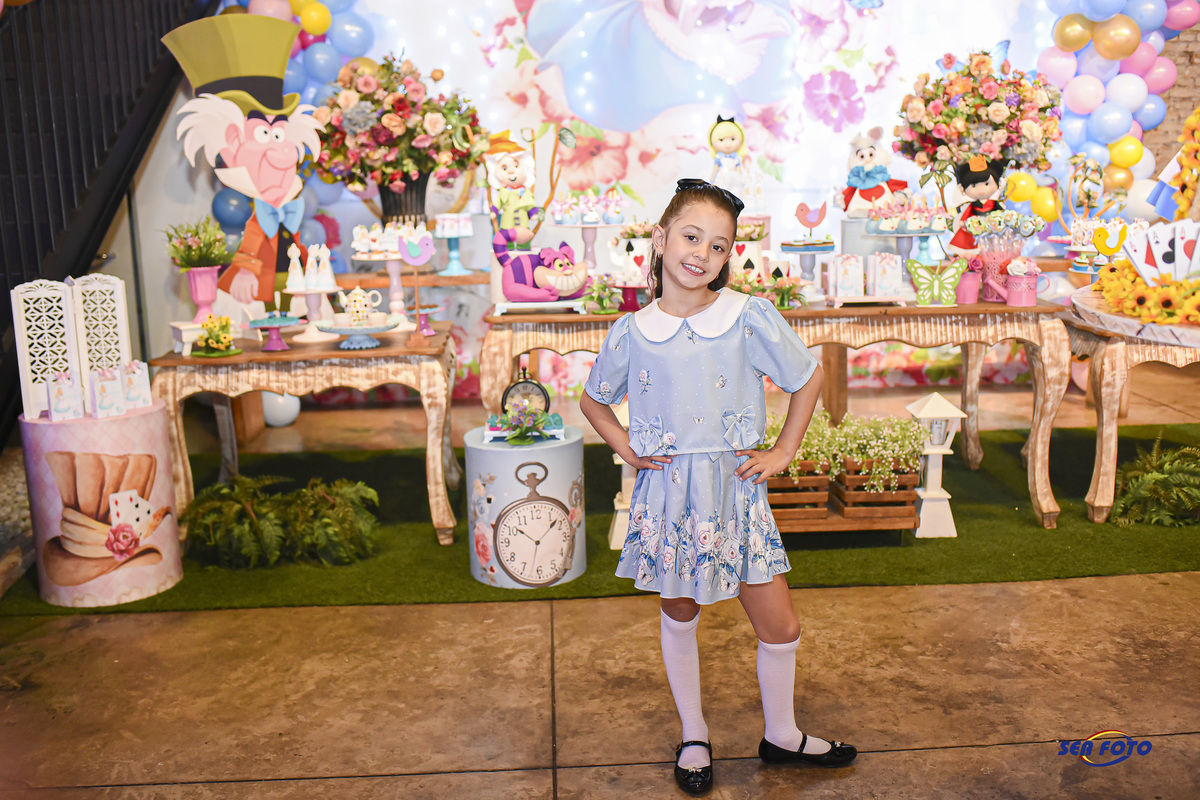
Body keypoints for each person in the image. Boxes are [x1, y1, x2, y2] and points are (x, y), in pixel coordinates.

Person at [580, 179, 856, 796]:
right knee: (680, 614)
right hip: (670, 499)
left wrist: (783, 450)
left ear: (729, 255)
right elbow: (594, 400)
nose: (701, 253)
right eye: (691, 236)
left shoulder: (747, 316)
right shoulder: (632, 330)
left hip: (736, 496)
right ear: (660, 239)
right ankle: (694, 734)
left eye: (719, 245)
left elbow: (807, 377)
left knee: (780, 625)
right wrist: (626, 448)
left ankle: (781, 734)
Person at [947, 155, 1008, 256]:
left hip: (992, 227)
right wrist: (963, 221)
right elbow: (967, 212)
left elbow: (1001, 212)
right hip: (975, 227)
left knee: (993, 244)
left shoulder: (994, 203)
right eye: (974, 186)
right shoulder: (972, 205)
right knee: (974, 243)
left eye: (987, 184)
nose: (981, 190)